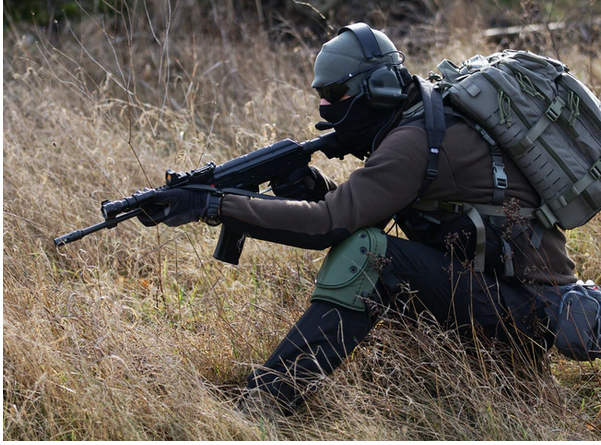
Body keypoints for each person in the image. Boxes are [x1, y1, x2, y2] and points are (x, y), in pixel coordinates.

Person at [137, 23, 577, 415]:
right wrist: (305, 184)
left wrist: (214, 205)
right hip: (503, 295)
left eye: (336, 94)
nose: (327, 106)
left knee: (368, 256)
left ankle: (262, 405)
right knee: (368, 245)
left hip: (528, 311)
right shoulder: (422, 119)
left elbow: (329, 225)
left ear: (380, 87)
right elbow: (353, 211)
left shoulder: (414, 140)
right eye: (320, 95)